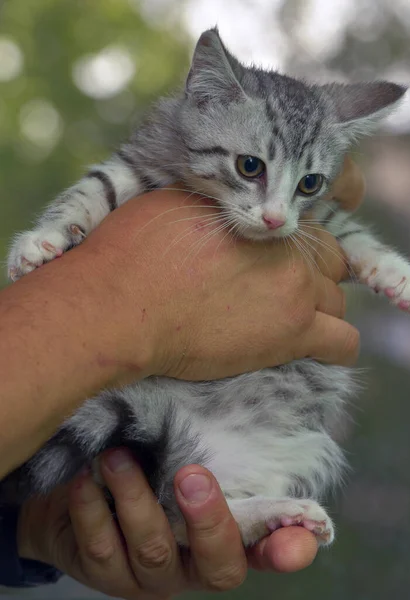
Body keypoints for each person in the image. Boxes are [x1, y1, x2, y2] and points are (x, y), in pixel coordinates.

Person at [0, 157, 364, 597]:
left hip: (237, 435)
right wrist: (109, 304)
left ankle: (227, 499)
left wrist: (23, 526)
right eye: (251, 166)